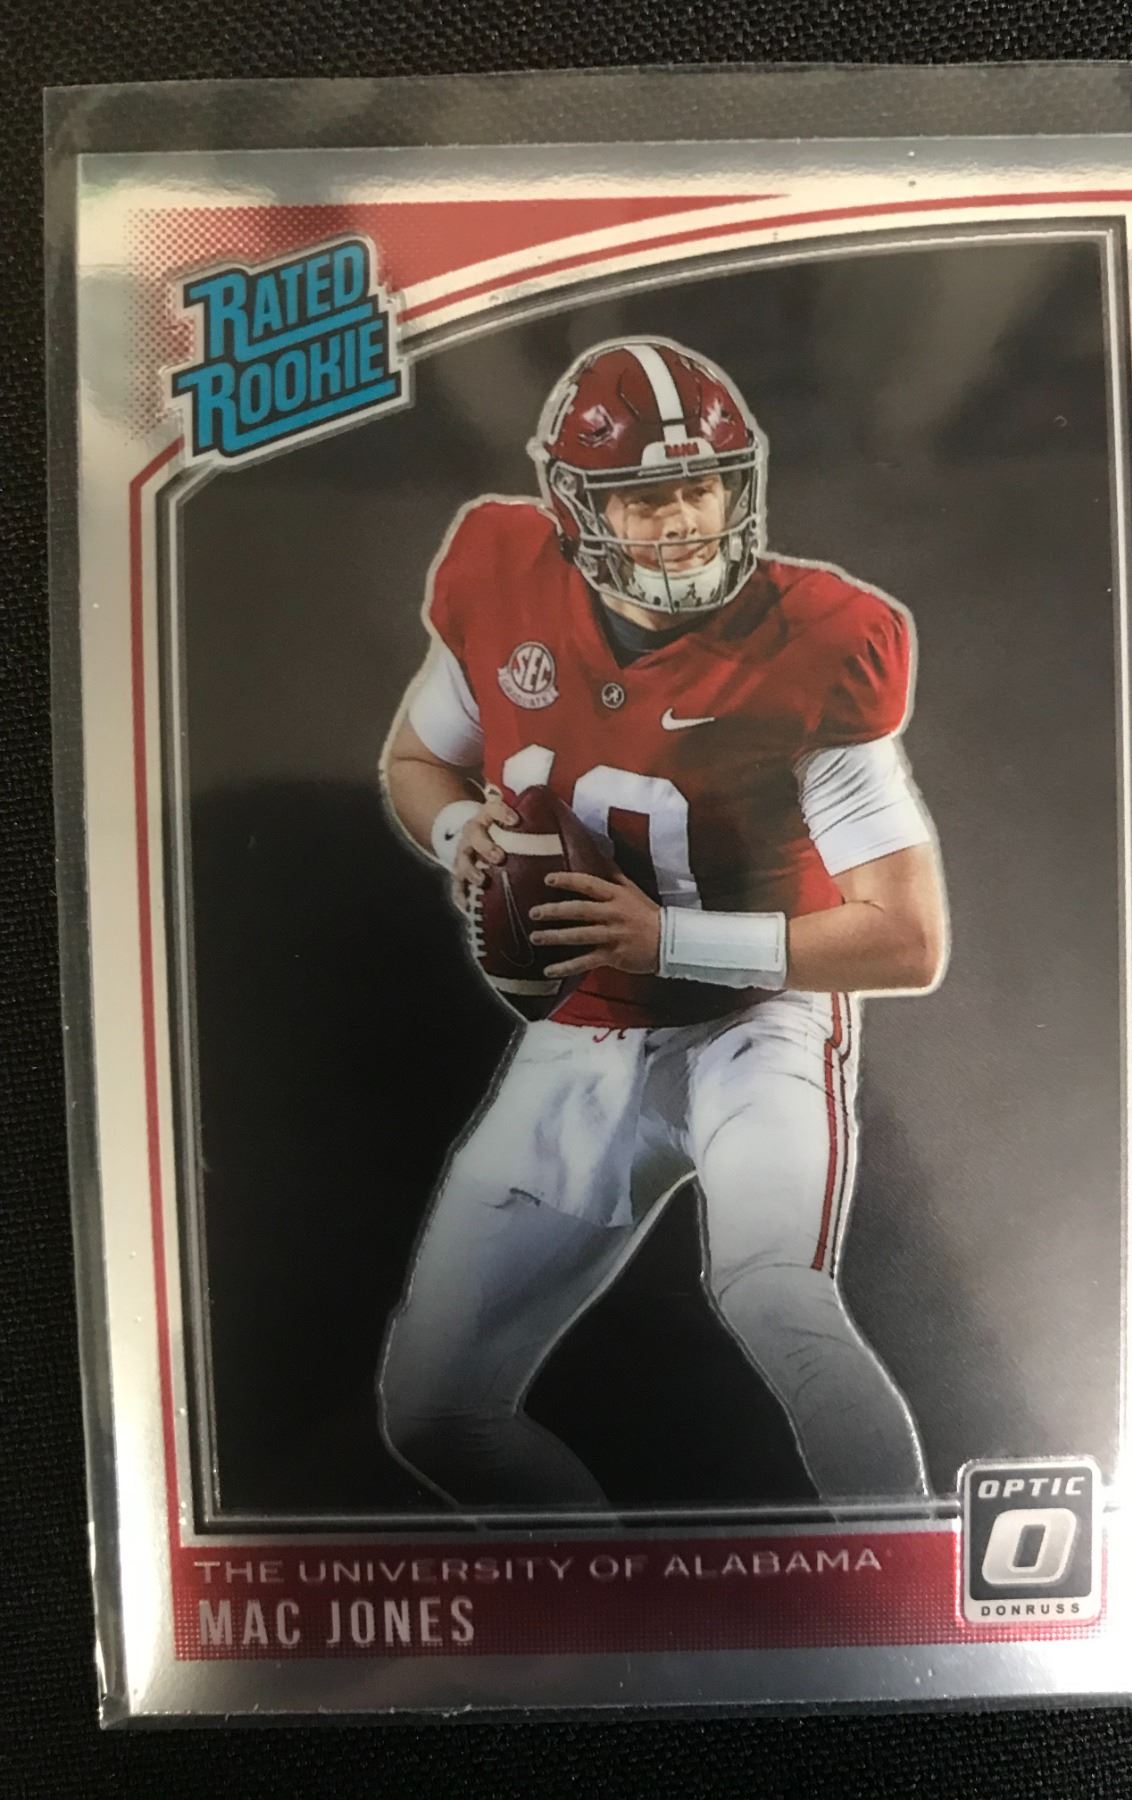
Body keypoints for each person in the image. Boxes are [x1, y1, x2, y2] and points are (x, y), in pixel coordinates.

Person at [377, 336, 948, 1512]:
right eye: (646, 497)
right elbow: (416, 762)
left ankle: (907, 1575)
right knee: (432, 1413)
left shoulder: (819, 640)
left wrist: (669, 940)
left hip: (759, 1020)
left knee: (777, 1298)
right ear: (576, 507)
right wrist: (460, 832)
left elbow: (907, 939)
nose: (685, 518)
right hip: (589, 1024)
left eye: (705, 484)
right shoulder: (502, 573)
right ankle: (603, 1592)